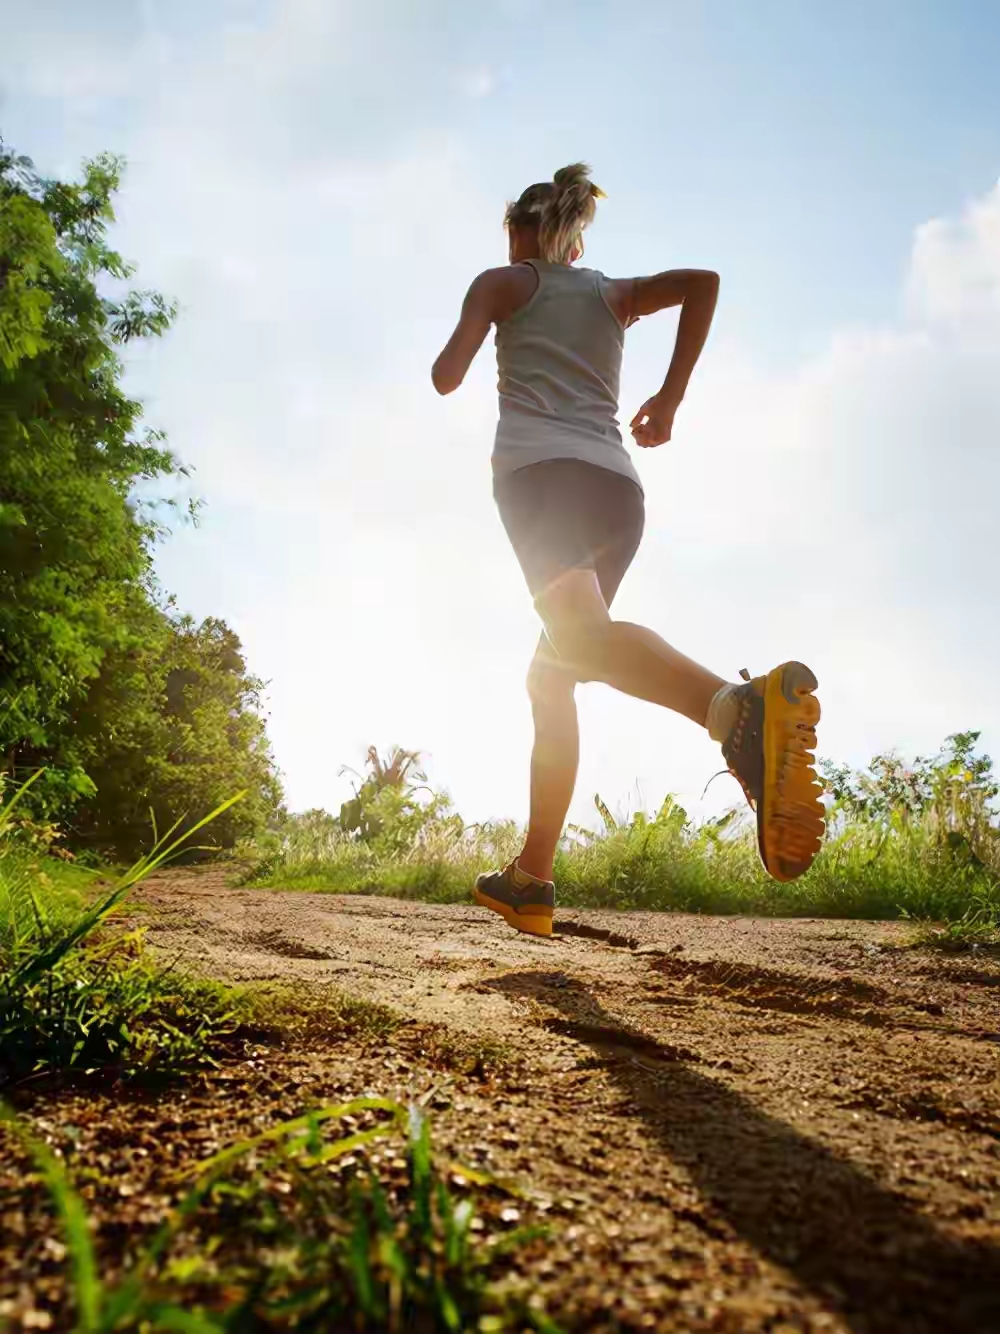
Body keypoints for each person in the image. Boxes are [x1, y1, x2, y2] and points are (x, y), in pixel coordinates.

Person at [431, 163, 823, 939]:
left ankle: (735, 710)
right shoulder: (612, 293)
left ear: (520, 235)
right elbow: (702, 283)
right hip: (617, 491)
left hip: (541, 480)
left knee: (576, 643)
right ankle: (531, 879)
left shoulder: (502, 282)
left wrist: (485, 314)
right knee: (553, 673)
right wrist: (670, 396)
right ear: (574, 242)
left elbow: (447, 376)